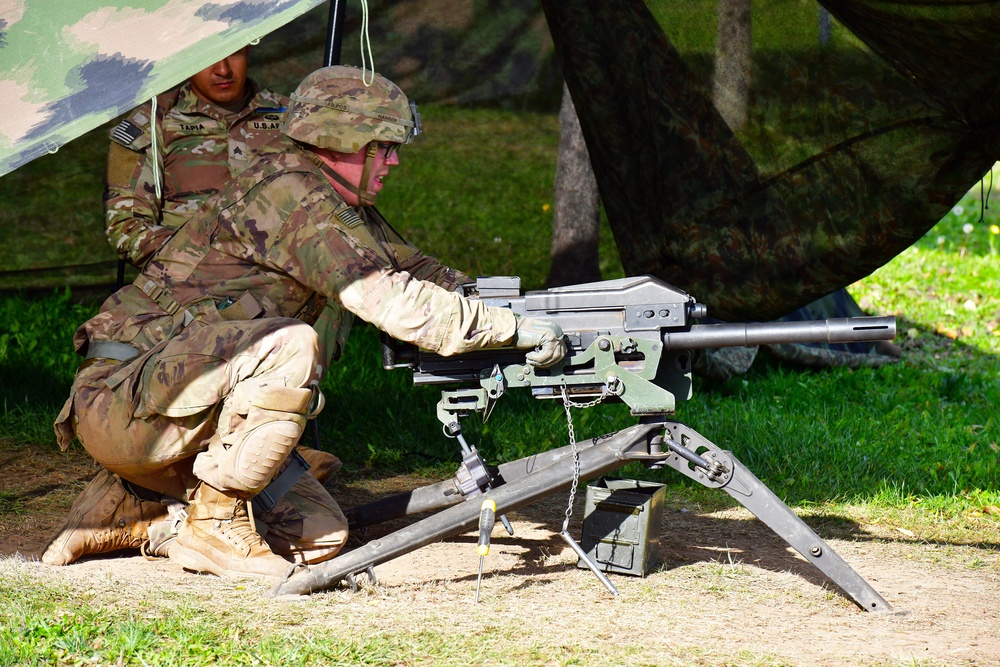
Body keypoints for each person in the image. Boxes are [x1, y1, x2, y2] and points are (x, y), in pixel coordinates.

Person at [49, 65, 567, 578]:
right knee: (290, 344)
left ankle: (140, 508)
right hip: (120, 399)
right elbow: (391, 300)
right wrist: (513, 331)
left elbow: (411, 267)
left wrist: (511, 307)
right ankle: (212, 522)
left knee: (319, 535)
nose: (391, 163)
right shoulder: (291, 195)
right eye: (381, 147)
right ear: (341, 139)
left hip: (167, 403)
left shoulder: (327, 195)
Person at [40, 47, 339, 567]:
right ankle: (157, 496)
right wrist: (205, 261)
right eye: (209, 57)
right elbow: (126, 228)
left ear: (252, 49)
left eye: (235, 55)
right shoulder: (148, 125)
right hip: (183, 315)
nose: (223, 70)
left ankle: (156, 510)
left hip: (266, 306)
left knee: (322, 539)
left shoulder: (286, 118)